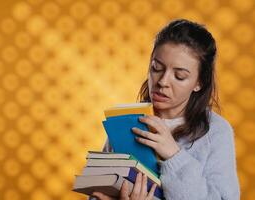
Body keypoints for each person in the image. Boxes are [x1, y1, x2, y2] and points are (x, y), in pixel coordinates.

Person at [91, 19, 240, 200]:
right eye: (156, 68)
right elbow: (97, 192)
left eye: (179, 76)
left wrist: (173, 155)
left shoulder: (215, 132)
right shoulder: (127, 120)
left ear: (199, 82)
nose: (162, 81)